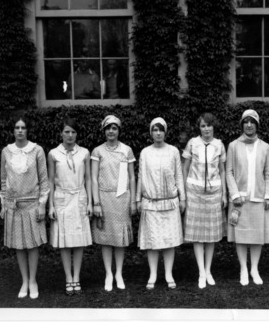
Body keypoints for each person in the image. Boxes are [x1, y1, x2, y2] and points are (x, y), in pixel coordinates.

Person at [0, 117, 50, 299]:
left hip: (33, 204)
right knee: (19, 246)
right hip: (13, 205)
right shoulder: (6, 151)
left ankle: (33, 280)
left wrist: (42, 205)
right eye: (17, 127)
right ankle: (25, 281)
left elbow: (44, 180)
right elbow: (4, 180)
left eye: (23, 127)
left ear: (27, 130)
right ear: (13, 130)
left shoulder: (37, 150)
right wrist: (4, 203)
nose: (20, 130)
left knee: (33, 245)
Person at [136, 117, 186, 290]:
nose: (158, 133)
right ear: (151, 132)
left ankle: (168, 274)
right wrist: (137, 199)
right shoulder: (144, 152)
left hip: (170, 202)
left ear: (165, 132)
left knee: (169, 240)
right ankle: (153, 274)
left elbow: (179, 175)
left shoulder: (173, 151)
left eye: (161, 130)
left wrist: (183, 198)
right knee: (152, 241)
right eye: (155, 130)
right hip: (150, 202)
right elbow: (141, 177)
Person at [226, 109, 269, 286]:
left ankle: (254, 268)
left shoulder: (265, 147)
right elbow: (229, 172)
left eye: (252, 122)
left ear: (257, 125)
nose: (249, 125)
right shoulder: (233, 146)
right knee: (241, 236)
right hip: (239, 200)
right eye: (246, 122)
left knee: (256, 236)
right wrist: (234, 193)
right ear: (241, 124)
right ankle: (243, 269)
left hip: (258, 199)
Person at [48, 118, 93, 295]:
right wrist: (51, 205)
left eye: (73, 132)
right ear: (61, 133)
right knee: (65, 242)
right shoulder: (53, 153)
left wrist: (89, 201)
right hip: (61, 199)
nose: (70, 135)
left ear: (77, 134)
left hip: (79, 198)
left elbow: (88, 178)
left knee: (79, 242)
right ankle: (68, 277)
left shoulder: (84, 153)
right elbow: (50, 181)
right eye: (66, 131)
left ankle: (77, 277)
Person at [91, 115, 136, 292]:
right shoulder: (97, 151)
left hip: (122, 198)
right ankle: (109, 273)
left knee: (120, 238)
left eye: (114, 128)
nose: (111, 131)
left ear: (118, 130)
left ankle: (119, 273)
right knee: (106, 239)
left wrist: (133, 201)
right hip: (104, 198)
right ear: (104, 130)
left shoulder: (126, 150)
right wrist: (96, 202)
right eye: (108, 128)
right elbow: (93, 179)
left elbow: (132, 177)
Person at [182, 112, 227, 289]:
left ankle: (208, 271)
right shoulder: (192, 143)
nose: (206, 129)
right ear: (199, 128)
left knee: (211, 236)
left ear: (213, 127)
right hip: (195, 194)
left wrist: (224, 194)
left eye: (209, 125)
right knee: (198, 236)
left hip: (214, 194)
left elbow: (222, 171)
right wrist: (186, 193)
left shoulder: (219, 145)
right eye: (203, 126)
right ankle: (201, 271)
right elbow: (184, 169)